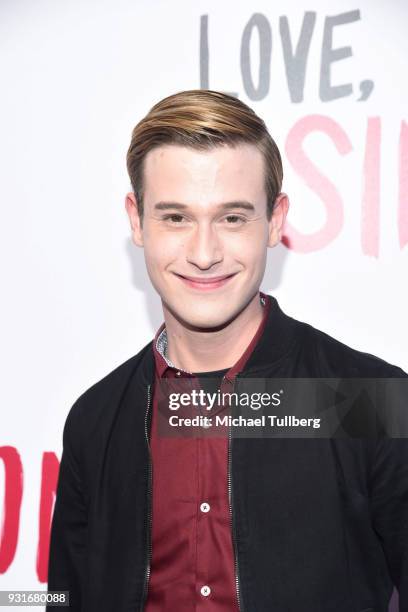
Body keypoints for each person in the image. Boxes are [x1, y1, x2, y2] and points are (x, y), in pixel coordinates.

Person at [46, 89, 408, 612]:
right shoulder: (95, 420)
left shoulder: (365, 401)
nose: (203, 253)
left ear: (276, 221)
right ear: (136, 220)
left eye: (232, 218)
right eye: (176, 218)